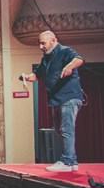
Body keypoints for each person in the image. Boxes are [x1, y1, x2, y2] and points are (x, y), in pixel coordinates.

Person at [23, 30, 84, 172]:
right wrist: (27, 77)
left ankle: (67, 161)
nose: (40, 47)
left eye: (43, 43)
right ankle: (72, 161)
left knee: (66, 129)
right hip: (58, 99)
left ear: (53, 40)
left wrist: (69, 66)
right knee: (61, 129)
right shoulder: (46, 58)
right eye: (39, 44)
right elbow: (36, 75)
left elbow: (79, 59)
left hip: (69, 97)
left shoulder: (64, 51)